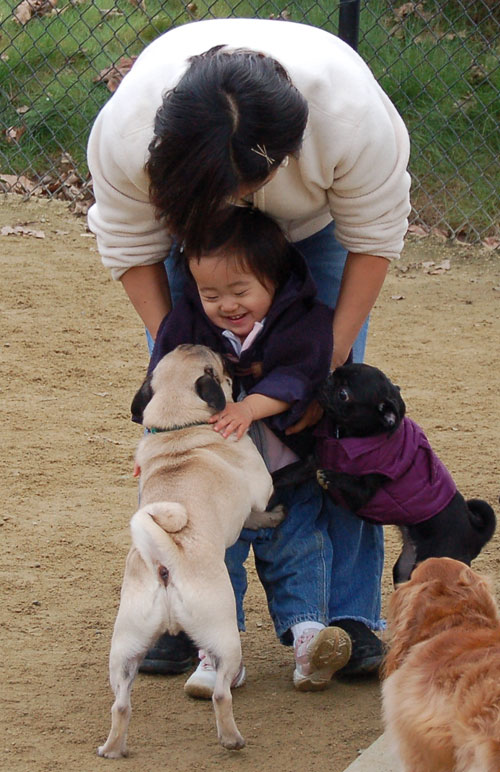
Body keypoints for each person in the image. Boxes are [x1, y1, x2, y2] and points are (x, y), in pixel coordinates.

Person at [87, 17, 411, 677]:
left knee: (335, 419)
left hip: (320, 228)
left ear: (287, 151)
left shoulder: (350, 117)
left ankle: (349, 620)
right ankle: (183, 614)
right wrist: (180, 361)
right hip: (196, 233)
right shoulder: (128, 134)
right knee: (188, 423)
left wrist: (322, 364)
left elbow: (375, 238)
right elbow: (130, 246)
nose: (242, 199)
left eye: (248, 182)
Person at [147, 205, 353, 692]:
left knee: (300, 548)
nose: (227, 305)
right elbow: (163, 382)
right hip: (216, 479)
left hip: (284, 469)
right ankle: (218, 653)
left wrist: (249, 407)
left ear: (274, 281)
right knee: (216, 556)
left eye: (241, 292)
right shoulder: (187, 323)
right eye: (211, 294)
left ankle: (310, 641)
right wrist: (153, 449)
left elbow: (300, 374)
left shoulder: (302, 318)